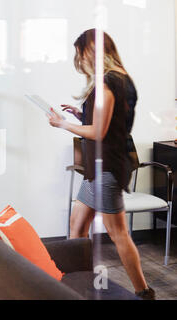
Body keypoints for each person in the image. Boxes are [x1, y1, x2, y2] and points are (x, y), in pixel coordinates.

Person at [48, 29, 155, 300]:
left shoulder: (108, 82)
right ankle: (74, 283)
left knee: (117, 231)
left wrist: (63, 123)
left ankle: (144, 291)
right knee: (77, 224)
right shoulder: (121, 78)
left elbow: (99, 131)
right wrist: (80, 113)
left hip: (105, 167)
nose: (78, 59)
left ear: (90, 52)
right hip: (99, 168)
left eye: (80, 54)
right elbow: (111, 119)